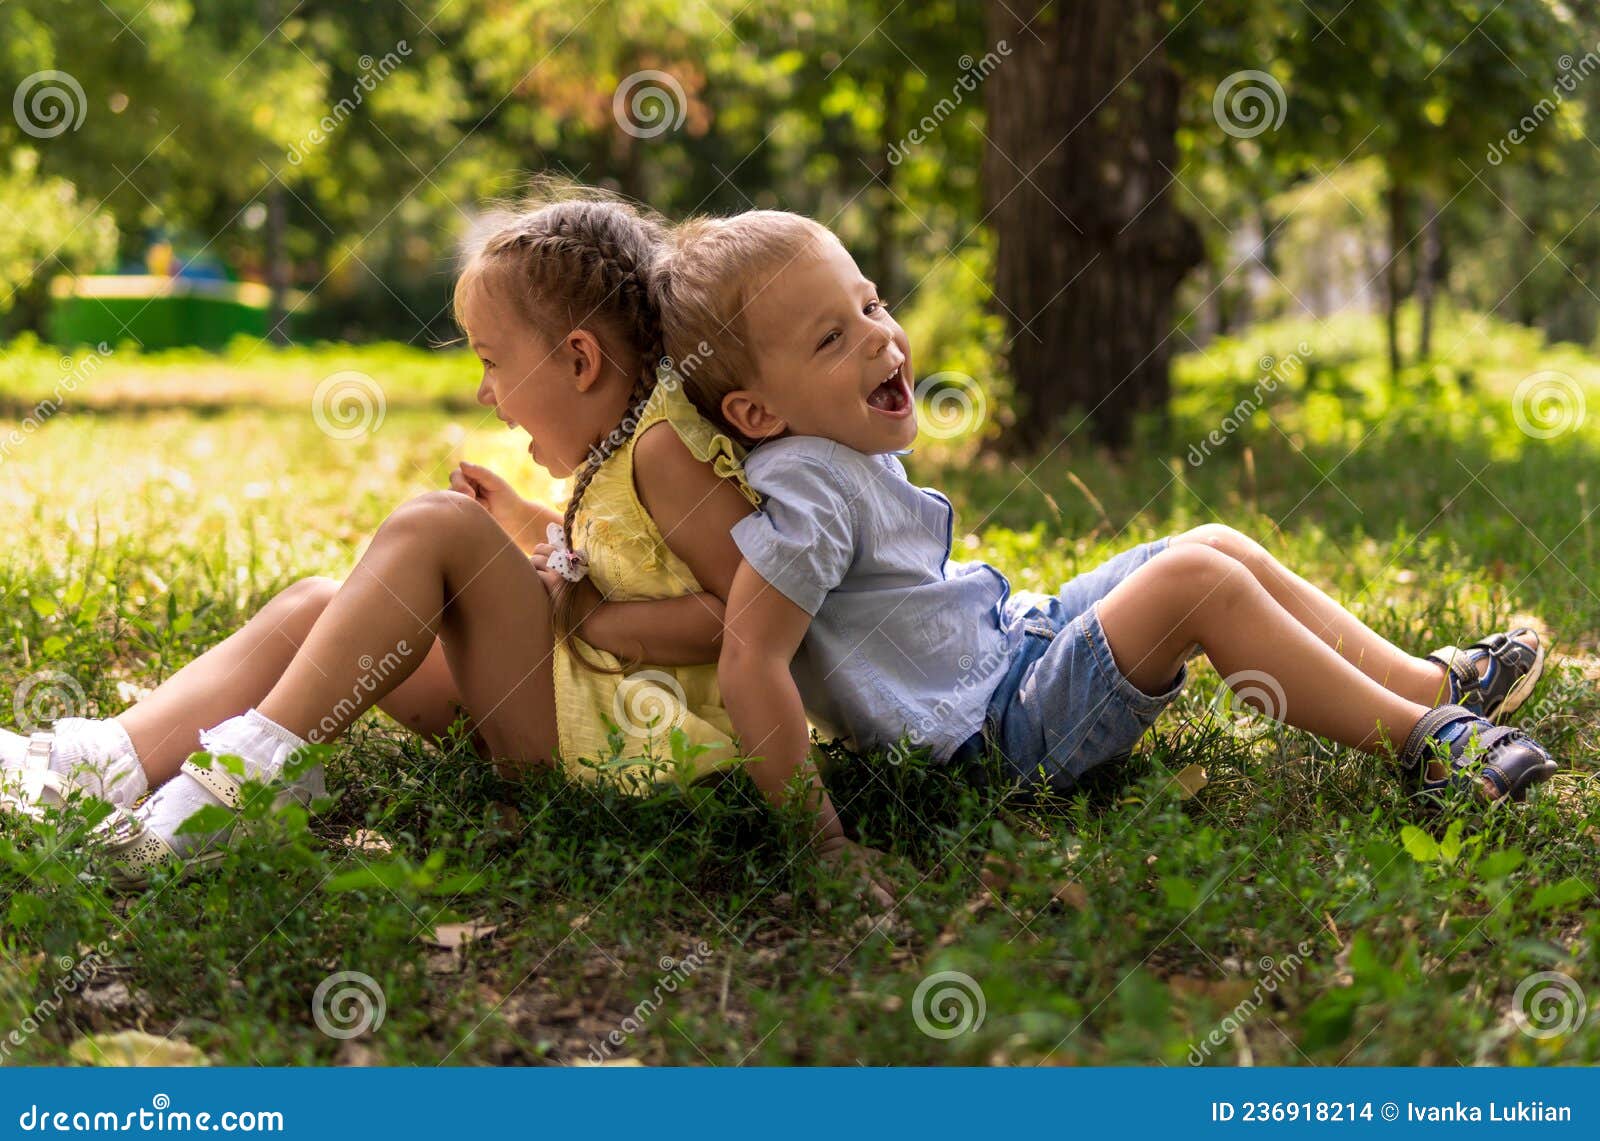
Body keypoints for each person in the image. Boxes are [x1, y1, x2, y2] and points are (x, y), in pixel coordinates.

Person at [651, 209, 1555, 882]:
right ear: (756, 412)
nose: (882, 339)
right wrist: (825, 848)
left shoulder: (831, 446)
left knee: (1210, 539)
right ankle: (1430, 742)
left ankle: (1429, 682)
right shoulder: (806, 486)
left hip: (1014, 646)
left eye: (871, 302)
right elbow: (749, 660)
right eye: (831, 336)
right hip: (995, 737)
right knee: (1196, 580)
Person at [1, 196, 757, 889]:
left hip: (623, 747)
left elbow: (744, 617)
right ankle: (101, 762)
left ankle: (239, 787)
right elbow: (637, 567)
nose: (485, 392)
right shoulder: (623, 447)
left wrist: (583, 616)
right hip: (571, 704)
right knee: (314, 609)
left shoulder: (666, 450)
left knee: (437, 526)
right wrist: (531, 525)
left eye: (493, 362)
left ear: (580, 360)